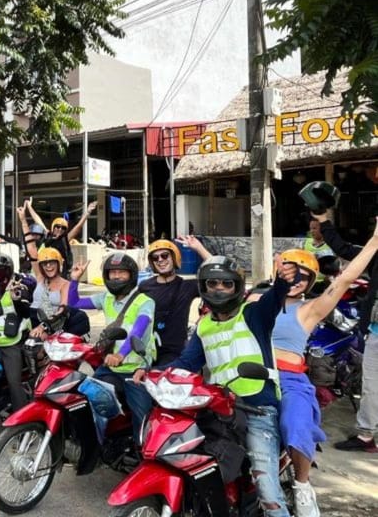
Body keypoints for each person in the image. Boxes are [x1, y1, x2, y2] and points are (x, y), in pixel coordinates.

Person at [135, 255, 300, 517]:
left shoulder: (254, 314)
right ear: (204, 287)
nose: (219, 289)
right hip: (219, 408)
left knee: (268, 493)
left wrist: (284, 278)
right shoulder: (204, 326)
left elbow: (275, 296)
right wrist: (153, 373)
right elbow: (186, 362)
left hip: (258, 410)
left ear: (237, 287)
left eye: (226, 284)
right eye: (212, 283)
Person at [273, 238, 378, 517]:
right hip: (248, 378)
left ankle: (302, 486)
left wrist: (374, 242)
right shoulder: (258, 299)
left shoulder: (310, 309)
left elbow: (345, 281)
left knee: (296, 425)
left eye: (303, 277)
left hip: (289, 380)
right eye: (291, 272)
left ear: (309, 283)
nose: (296, 280)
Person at [69, 252, 156, 444]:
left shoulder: (145, 302)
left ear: (131, 275)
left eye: (121, 272)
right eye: (112, 273)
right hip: (110, 368)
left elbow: (137, 331)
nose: (116, 277)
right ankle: (96, 446)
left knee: (143, 422)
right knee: (84, 398)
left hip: (136, 371)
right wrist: (74, 280)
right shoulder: (106, 298)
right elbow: (73, 303)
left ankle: (142, 459)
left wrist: (120, 354)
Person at [311, 211, 378, 453]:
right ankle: (366, 436)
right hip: (374, 331)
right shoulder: (374, 252)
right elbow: (344, 249)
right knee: (372, 386)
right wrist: (324, 221)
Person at [137, 236, 211, 365]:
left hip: (173, 353)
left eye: (165, 255)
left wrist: (199, 248)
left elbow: (221, 273)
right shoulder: (145, 286)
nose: (160, 260)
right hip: (146, 350)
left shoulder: (188, 286)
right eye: (155, 258)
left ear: (174, 257)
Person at [0, 253, 32, 411]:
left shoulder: (18, 288)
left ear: (8, 270)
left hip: (12, 344)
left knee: (14, 382)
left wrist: (16, 299)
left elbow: (25, 312)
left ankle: (23, 422)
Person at [21, 198, 97, 278]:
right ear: (53, 227)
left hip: (61, 275)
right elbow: (37, 220)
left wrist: (88, 212)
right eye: (57, 227)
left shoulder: (64, 239)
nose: (60, 229)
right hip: (46, 272)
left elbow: (78, 227)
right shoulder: (48, 235)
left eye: (63, 228)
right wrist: (29, 207)